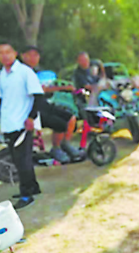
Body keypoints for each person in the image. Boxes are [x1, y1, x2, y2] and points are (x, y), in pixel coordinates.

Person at [0, 41, 44, 210]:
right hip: (8, 123)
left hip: (22, 124)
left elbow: (38, 97)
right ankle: (33, 187)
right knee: (18, 159)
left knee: (22, 160)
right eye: (1, 53)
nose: (5, 56)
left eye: (8, 52)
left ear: (15, 53)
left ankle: (26, 194)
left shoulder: (25, 72)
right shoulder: (2, 75)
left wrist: (31, 118)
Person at [21, 46, 83, 163]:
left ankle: (65, 145)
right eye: (30, 55)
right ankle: (56, 149)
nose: (34, 58)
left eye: (36, 55)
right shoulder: (21, 72)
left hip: (42, 104)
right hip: (31, 108)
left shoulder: (33, 71)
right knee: (59, 124)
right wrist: (63, 88)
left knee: (70, 117)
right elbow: (39, 90)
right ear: (23, 56)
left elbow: (43, 89)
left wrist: (63, 88)